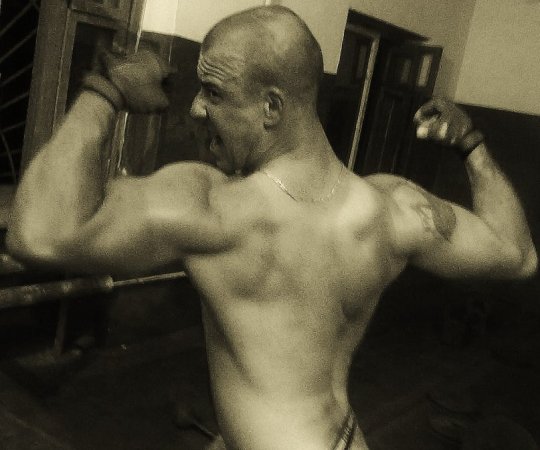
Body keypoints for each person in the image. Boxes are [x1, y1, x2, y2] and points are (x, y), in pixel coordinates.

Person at [6, 5, 537, 450]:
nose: (196, 108)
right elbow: (518, 254)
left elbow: (41, 233)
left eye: (213, 92)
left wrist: (104, 90)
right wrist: (471, 144)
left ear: (271, 107)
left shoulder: (215, 209)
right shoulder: (393, 208)